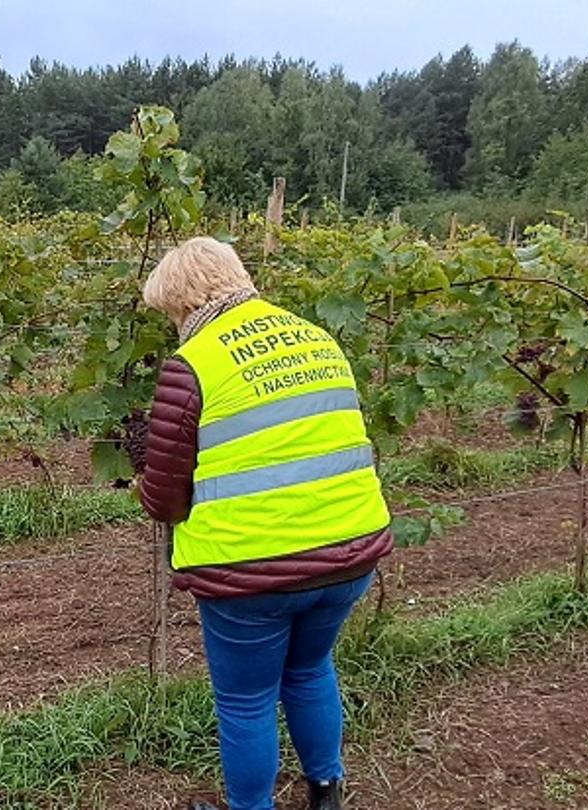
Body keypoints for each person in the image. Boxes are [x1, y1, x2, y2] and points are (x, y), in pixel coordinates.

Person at [136, 237, 392, 810]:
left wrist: (147, 494)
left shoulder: (194, 363)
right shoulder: (318, 340)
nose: (174, 326)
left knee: (246, 701)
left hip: (251, 570)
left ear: (184, 302)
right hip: (349, 553)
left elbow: (165, 495)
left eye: (171, 314)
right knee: (309, 670)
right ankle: (325, 792)